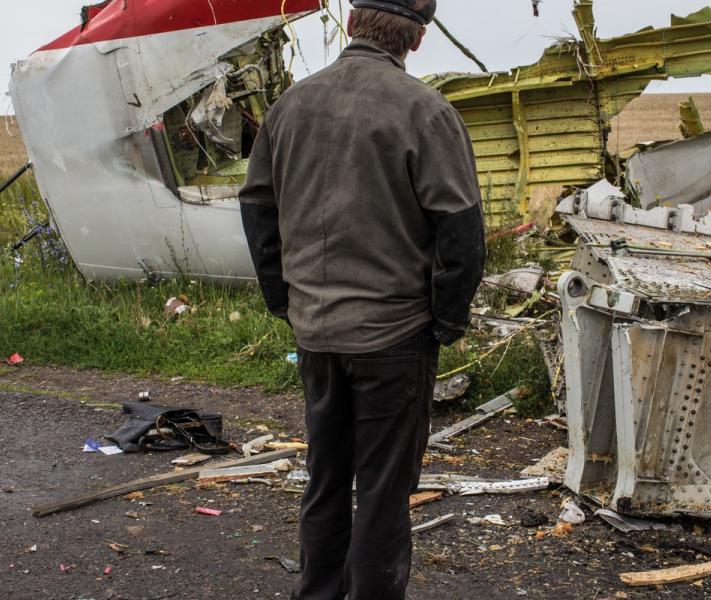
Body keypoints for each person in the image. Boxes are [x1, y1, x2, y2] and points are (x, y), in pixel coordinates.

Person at [239, 1, 486, 597]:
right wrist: (445, 321)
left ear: (352, 22)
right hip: (394, 336)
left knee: (326, 479)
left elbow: (257, 209)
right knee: (381, 489)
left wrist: (287, 302)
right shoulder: (426, 112)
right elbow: (461, 231)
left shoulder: (290, 106)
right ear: (417, 39)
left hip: (317, 333)